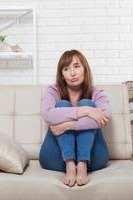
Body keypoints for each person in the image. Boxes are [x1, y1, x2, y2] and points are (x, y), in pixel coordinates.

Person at [39, 49, 110, 187]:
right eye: (66, 69)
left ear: (85, 69)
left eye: (76, 66)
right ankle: (70, 165)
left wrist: (66, 125)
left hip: (93, 158)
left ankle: (82, 164)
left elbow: (104, 116)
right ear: (62, 74)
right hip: (56, 158)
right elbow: (48, 114)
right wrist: (85, 111)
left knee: (87, 102)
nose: (72, 73)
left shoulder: (97, 93)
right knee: (63, 105)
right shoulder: (53, 91)